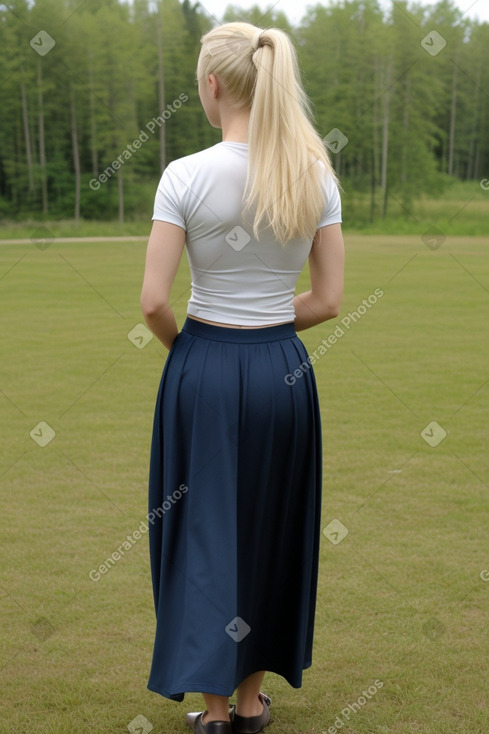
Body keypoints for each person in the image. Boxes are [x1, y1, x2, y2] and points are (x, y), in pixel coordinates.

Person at [140, 20, 344, 734]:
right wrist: (263, 326)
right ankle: (253, 703)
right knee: (269, 529)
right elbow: (325, 302)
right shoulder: (312, 174)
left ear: (212, 84)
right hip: (280, 371)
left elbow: (154, 301)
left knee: (201, 530)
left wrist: (189, 352)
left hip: (203, 363)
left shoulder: (185, 174)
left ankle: (216, 711)